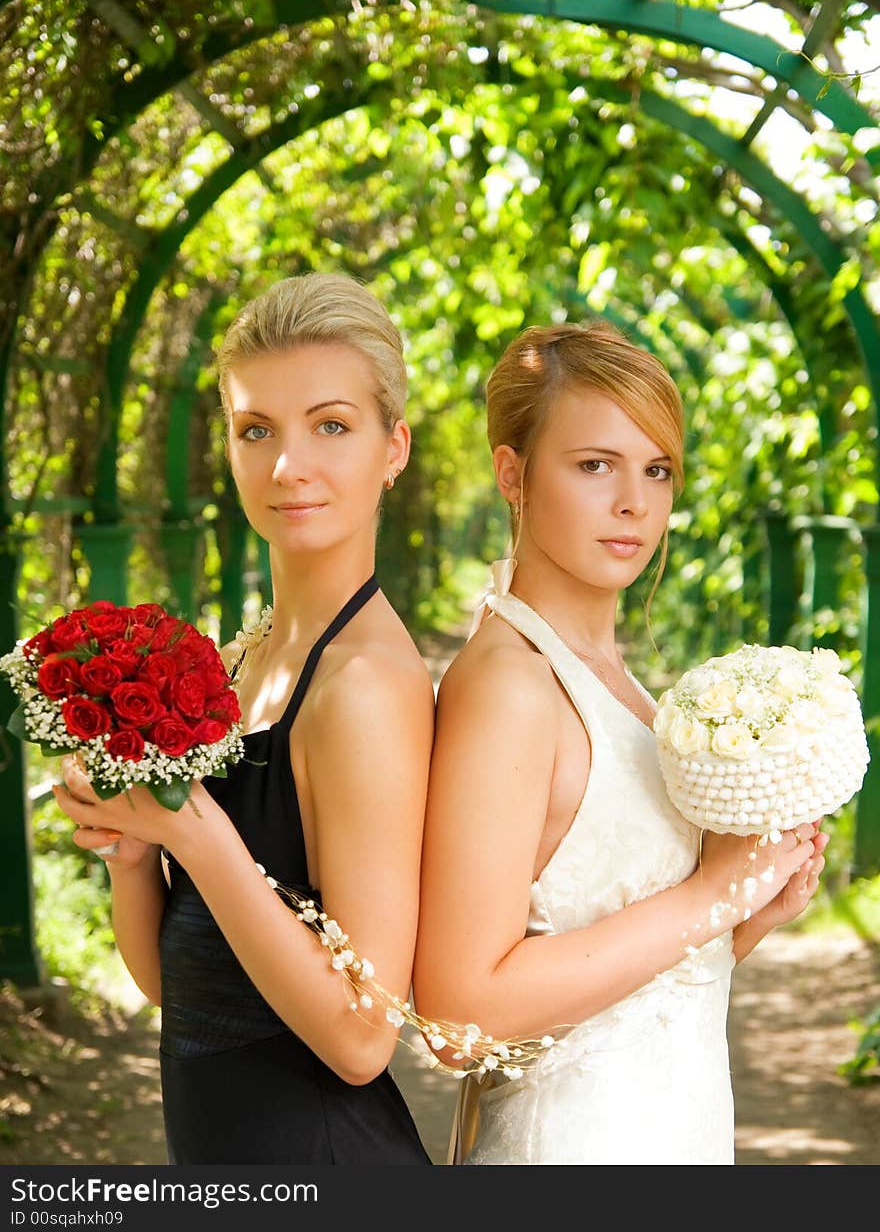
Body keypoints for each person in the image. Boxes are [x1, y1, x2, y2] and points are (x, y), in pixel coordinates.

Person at [412, 321, 828, 1166]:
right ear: (512, 474)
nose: (635, 501)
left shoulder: (617, 684)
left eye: (657, 470)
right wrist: (712, 891)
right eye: (595, 465)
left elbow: (632, 986)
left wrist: (743, 916)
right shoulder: (510, 688)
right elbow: (459, 1015)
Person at [53, 272, 435, 1165]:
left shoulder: (365, 686)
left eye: (331, 426)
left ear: (394, 447)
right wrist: (133, 846)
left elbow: (361, 1037)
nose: (286, 465)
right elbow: (173, 984)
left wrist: (194, 832)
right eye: (255, 429)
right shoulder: (245, 659)